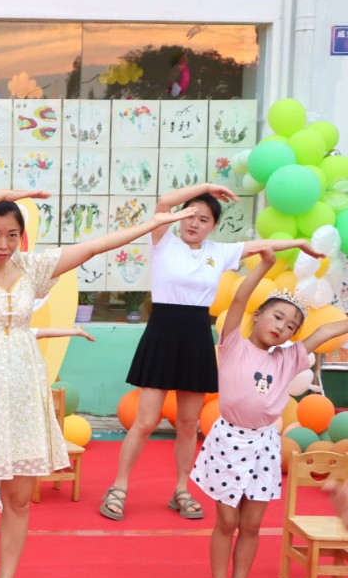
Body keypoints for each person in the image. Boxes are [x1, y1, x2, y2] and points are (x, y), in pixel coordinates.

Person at [0, 189, 185, 578]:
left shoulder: (31, 268)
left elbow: (95, 246)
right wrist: (5, 195)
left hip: (21, 396)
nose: (3, 244)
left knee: (18, 500)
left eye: (12, 234)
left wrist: (151, 225)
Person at [101, 184, 322, 522]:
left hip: (196, 337)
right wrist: (205, 188)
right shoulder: (163, 240)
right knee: (144, 421)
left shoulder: (219, 252)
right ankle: (119, 486)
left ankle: (181, 490)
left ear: (214, 226)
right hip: (161, 333)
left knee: (188, 424)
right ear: (180, 217)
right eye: (190, 215)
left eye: (203, 219)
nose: (194, 223)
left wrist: (298, 243)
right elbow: (162, 203)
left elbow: (260, 246)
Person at [191, 246, 348, 578]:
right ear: (259, 315)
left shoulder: (289, 358)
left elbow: (325, 330)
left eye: (291, 326)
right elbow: (239, 298)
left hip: (263, 446)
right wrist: (263, 265)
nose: (282, 327)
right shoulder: (234, 344)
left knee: (252, 524)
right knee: (226, 522)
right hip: (228, 442)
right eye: (277, 316)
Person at [0, 326, 94, 515]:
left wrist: (76, 331)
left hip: (16, 407)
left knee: (7, 452)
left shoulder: (21, 332)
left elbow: (45, 332)